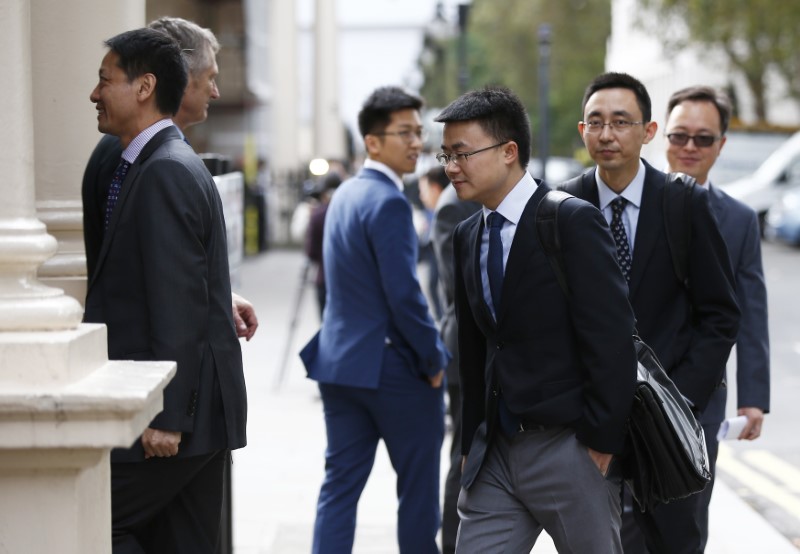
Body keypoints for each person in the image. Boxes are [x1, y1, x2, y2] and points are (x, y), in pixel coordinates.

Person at [435, 85, 638, 553]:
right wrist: (470, 443)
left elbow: (611, 340)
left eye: (462, 153)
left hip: (570, 449)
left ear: (509, 152)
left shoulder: (571, 221)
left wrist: (600, 447)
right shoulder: (467, 235)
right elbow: (473, 350)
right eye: (445, 154)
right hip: (495, 454)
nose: (450, 167)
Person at [83, 28, 247, 553]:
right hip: (190, 417)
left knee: (86, 515)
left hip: (178, 422)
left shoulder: (164, 171)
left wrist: (168, 418)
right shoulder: (158, 162)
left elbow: (178, 303)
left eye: (105, 81)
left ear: (144, 86)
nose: (93, 93)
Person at [562, 72, 740, 554]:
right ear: (582, 132)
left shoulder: (684, 204)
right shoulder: (561, 207)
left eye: (621, 122)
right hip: (590, 419)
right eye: (596, 123)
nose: (607, 134)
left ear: (648, 131)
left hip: (672, 419)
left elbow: (721, 313)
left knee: (672, 542)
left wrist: (683, 397)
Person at [299, 86, 449, 554]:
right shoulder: (388, 202)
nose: (416, 142)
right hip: (392, 371)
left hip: (340, 364)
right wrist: (434, 358)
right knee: (419, 493)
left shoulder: (344, 194)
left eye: (418, 132)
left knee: (339, 488)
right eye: (403, 132)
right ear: (373, 142)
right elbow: (404, 296)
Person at [81, 16, 258, 341]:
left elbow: (168, 267)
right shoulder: (128, 155)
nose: (215, 91)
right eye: (210, 77)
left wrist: (217, 299)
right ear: (179, 73)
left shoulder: (157, 154)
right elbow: (146, 287)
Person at [664, 85, 770, 550]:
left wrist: (754, 396)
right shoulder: (627, 204)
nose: (690, 147)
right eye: (680, 135)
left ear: (721, 145)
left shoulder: (740, 219)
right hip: (626, 385)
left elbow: (750, 308)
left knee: (687, 518)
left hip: (703, 397)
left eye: (703, 139)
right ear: (661, 136)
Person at [427, 165, 480, 554]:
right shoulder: (453, 206)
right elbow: (460, 287)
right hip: (469, 353)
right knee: (464, 460)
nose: (453, 164)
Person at [304, 170, 342, 319]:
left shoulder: (318, 215)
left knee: (326, 324)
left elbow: (311, 252)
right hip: (347, 279)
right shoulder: (347, 210)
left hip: (324, 278)